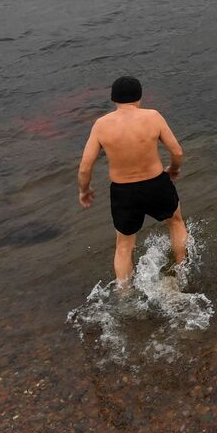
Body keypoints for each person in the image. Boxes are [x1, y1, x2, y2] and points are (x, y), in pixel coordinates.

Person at [78, 76, 187, 288]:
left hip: (123, 191)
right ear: (139, 97)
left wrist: (84, 190)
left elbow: (85, 166)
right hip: (156, 183)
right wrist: (173, 170)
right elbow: (177, 151)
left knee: (124, 245)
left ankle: (124, 294)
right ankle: (182, 270)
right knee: (175, 222)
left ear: (113, 99)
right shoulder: (153, 116)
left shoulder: (101, 125)